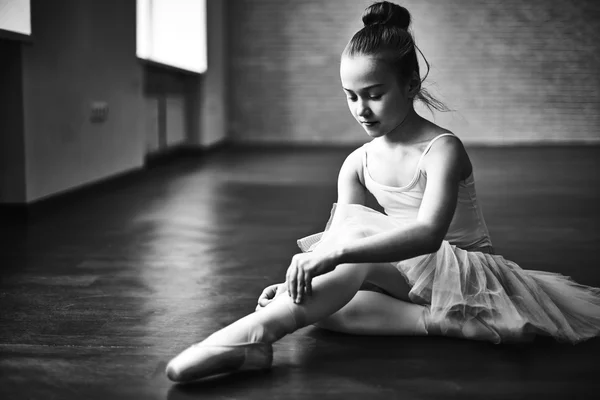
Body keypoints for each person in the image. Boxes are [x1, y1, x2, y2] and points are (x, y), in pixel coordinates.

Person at [165, 1, 600, 383]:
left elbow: (428, 235)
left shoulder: (441, 149)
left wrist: (331, 257)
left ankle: (253, 334)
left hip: (467, 275)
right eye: (351, 96)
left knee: (346, 254)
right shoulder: (358, 161)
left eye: (373, 94)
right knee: (321, 304)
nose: (361, 110)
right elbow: (342, 246)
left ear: (411, 85)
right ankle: (445, 324)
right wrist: (293, 283)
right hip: (407, 281)